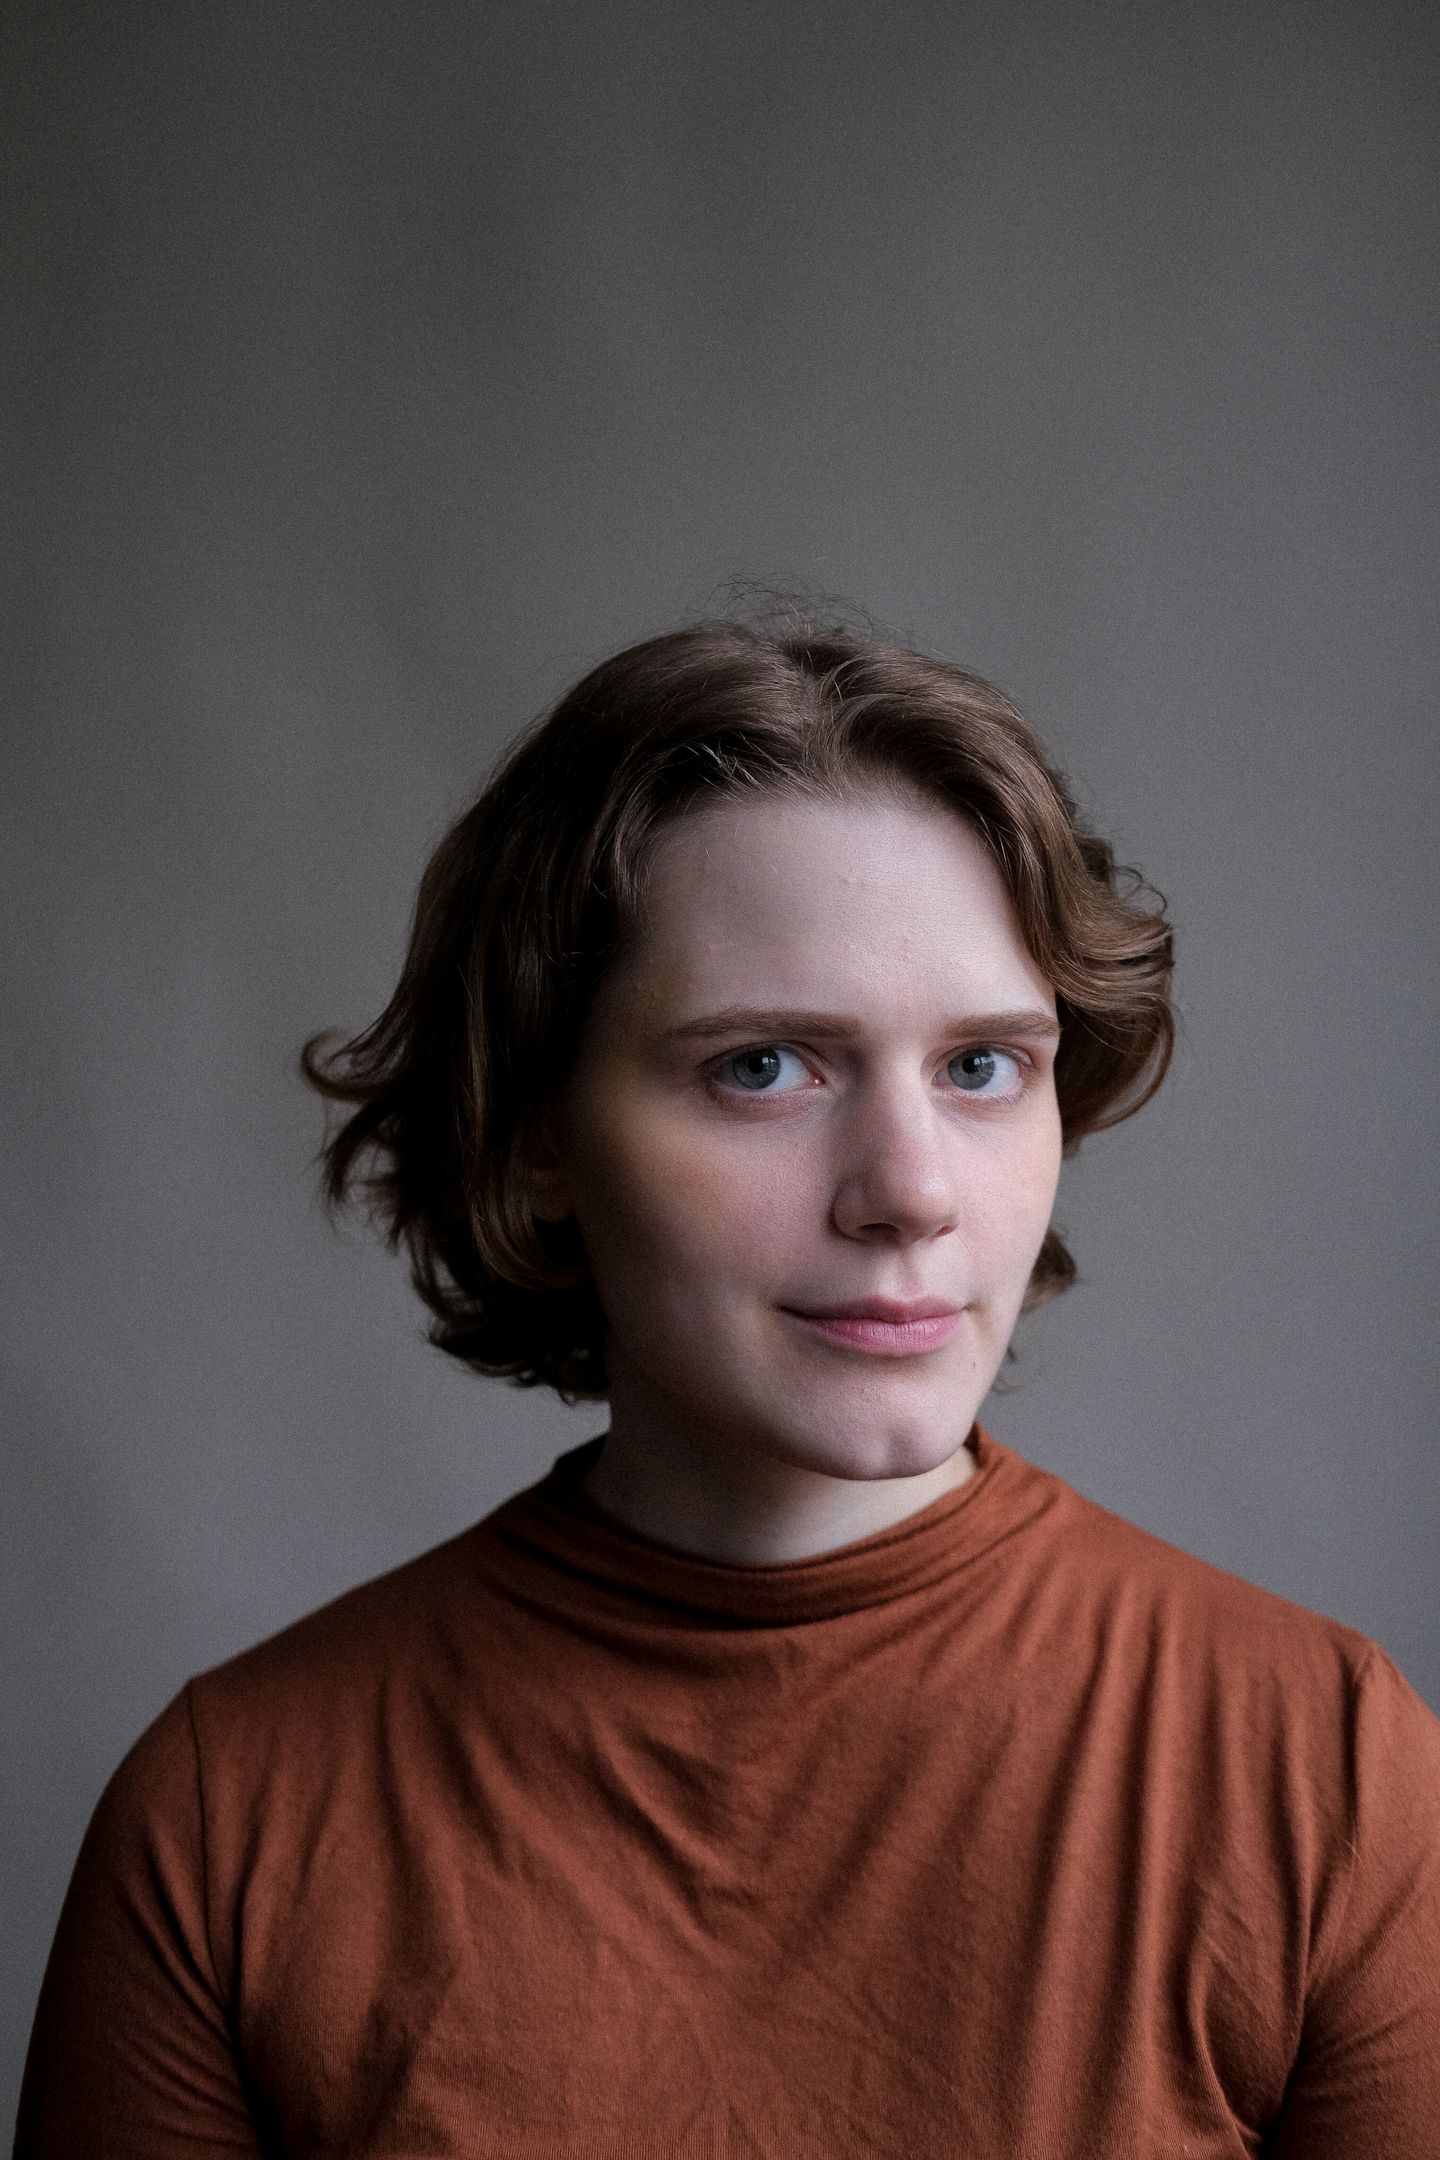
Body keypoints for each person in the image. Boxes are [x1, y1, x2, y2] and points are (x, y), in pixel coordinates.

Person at [15, 612, 1440, 2157]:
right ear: (538, 1136)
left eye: (982, 1067)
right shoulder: (234, 1815)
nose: (911, 1193)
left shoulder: (1323, 1765)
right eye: (763, 1066)